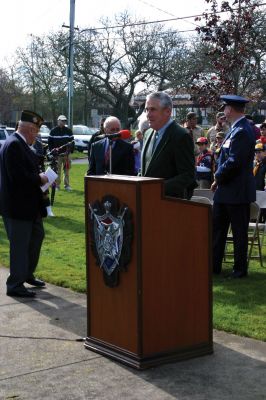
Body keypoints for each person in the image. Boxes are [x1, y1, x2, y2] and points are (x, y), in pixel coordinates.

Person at [0, 110, 49, 297]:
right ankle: (15, 284)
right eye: (36, 131)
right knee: (20, 246)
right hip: (17, 207)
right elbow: (18, 177)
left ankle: (27, 274)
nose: (36, 136)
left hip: (29, 206)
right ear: (29, 129)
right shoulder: (14, 145)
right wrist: (40, 178)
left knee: (36, 237)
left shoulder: (21, 144)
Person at [211, 95, 256, 278]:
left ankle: (239, 270)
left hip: (237, 191)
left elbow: (234, 161)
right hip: (226, 191)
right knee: (217, 230)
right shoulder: (235, 129)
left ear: (231, 109)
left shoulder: (243, 131)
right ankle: (213, 266)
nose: (224, 111)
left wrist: (217, 176)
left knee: (239, 233)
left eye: (226, 108)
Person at [141, 91, 196, 199]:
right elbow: (146, 170)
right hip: (147, 201)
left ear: (168, 111)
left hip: (169, 203)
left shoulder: (181, 135)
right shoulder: (148, 133)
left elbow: (188, 175)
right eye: (147, 109)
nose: (148, 114)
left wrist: (157, 188)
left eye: (153, 109)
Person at [48, 115, 74, 191]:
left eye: (64, 121)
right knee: (57, 171)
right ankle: (57, 186)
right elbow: (50, 143)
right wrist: (53, 152)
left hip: (66, 155)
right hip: (57, 155)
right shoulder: (53, 131)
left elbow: (72, 142)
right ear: (58, 121)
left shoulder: (69, 131)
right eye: (62, 121)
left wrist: (69, 152)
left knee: (66, 171)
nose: (63, 122)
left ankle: (67, 185)